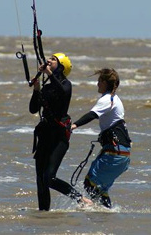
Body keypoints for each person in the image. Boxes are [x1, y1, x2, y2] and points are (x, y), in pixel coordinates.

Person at [29, 53, 92, 211]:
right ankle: (43, 214)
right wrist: (36, 90)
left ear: (61, 66)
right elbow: (33, 109)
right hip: (44, 135)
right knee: (41, 180)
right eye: (48, 58)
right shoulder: (48, 87)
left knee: (49, 178)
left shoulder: (66, 85)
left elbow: (63, 93)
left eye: (53, 59)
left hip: (59, 138)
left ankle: (80, 199)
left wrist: (49, 73)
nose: (48, 60)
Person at [71, 68, 131, 208]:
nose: (97, 84)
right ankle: (105, 215)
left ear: (104, 82)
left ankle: (99, 212)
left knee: (89, 184)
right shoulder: (116, 99)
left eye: (99, 81)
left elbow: (92, 114)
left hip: (114, 152)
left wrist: (74, 125)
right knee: (101, 190)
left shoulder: (107, 99)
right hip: (121, 154)